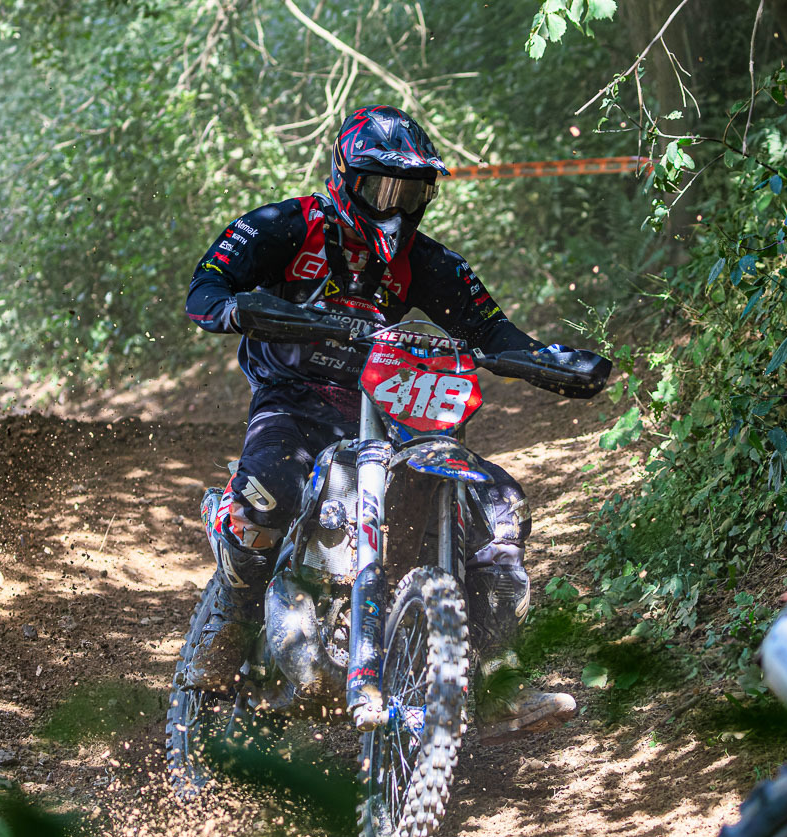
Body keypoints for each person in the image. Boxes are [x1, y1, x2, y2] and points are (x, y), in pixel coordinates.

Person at [184, 104, 600, 743]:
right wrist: (246, 309)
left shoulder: (427, 261)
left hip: (385, 408)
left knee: (500, 508)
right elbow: (206, 288)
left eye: (411, 193)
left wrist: (550, 362)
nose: (396, 207)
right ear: (345, 179)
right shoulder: (285, 226)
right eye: (381, 189)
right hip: (293, 399)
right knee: (266, 493)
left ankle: (497, 680)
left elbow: (491, 330)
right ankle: (229, 624)